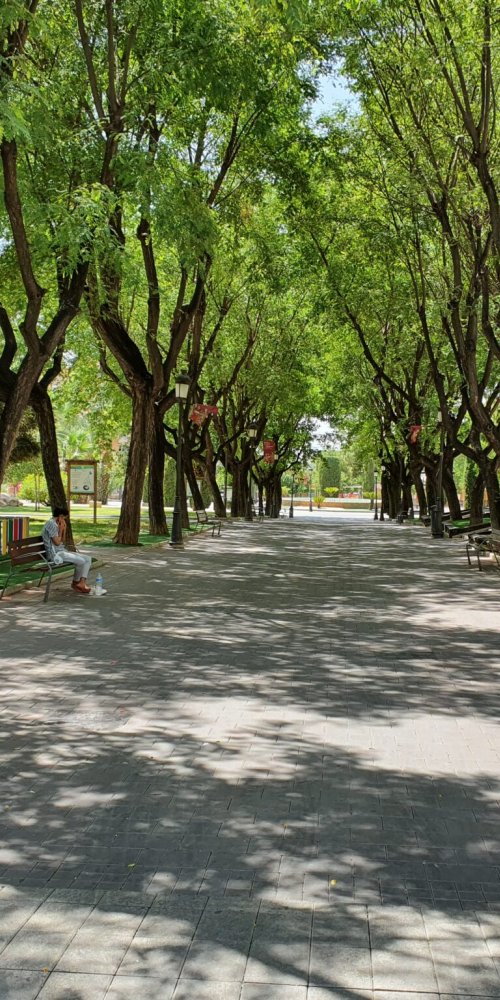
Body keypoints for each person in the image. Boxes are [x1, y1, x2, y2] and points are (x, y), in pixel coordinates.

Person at [42, 506, 92, 595]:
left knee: (88, 558)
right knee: (81, 561)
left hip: (62, 552)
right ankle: (75, 583)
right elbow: (57, 542)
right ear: (60, 516)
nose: (65, 520)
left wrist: (63, 529)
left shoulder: (57, 524)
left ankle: (82, 583)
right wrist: (61, 530)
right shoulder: (51, 524)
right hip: (55, 555)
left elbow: (62, 541)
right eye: (64, 518)